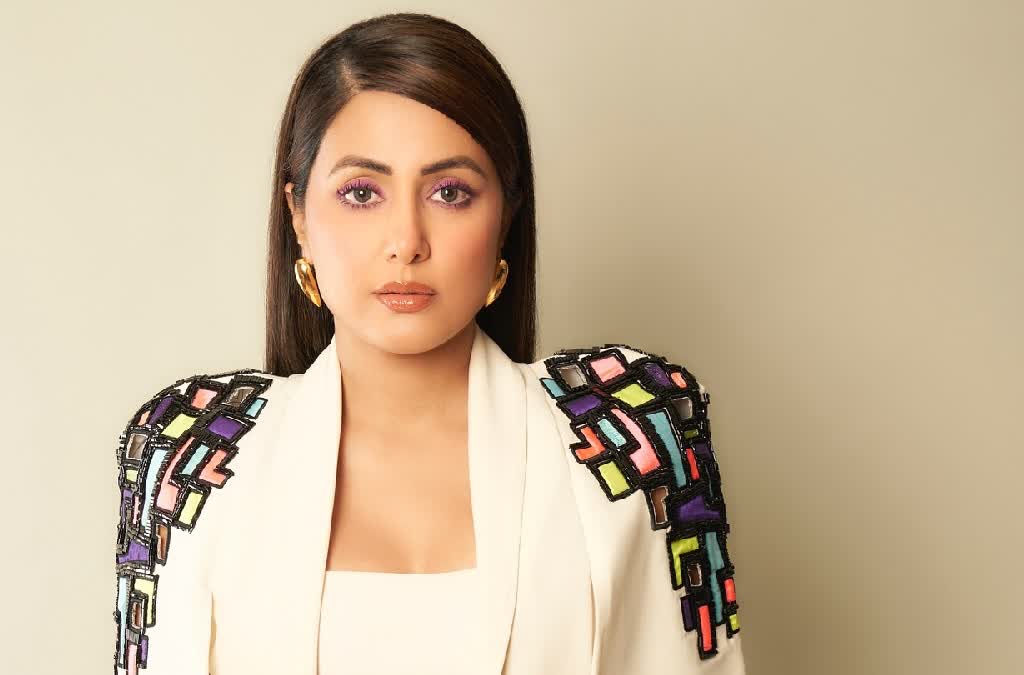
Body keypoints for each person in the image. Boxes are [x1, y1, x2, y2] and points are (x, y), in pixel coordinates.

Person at [112, 12, 747, 675]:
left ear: (505, 216)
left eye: (450, 192)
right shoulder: (182, 453)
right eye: (362, 192)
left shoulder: (638, 431)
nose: (406, 241)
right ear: (298, 215)